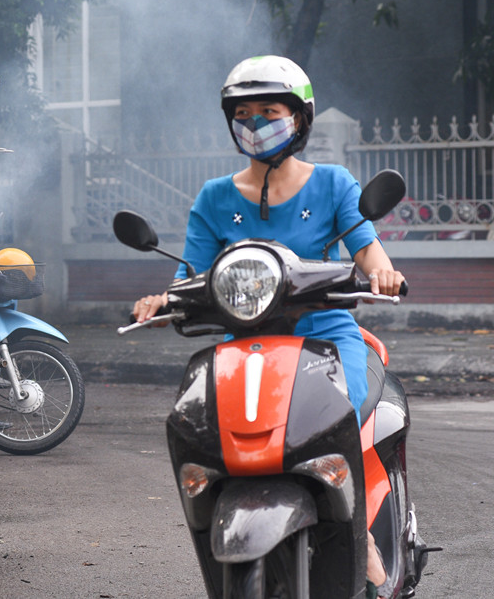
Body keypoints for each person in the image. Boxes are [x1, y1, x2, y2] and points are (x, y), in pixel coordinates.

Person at [131, 55, 400, 594]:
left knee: (345, 422)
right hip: (246, 348)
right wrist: (162, 301)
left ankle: (361, 536)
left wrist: (384, 273)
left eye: (269, 111)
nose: (255, 123)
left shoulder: (332, 184)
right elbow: (193, 276)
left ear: (298, 119)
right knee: (204, 429)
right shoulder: (214, 198)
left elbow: (367, 252)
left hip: (325, 339)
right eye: (244, 113)